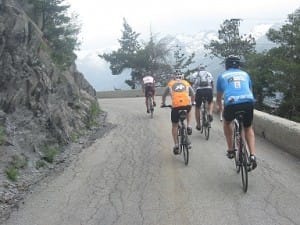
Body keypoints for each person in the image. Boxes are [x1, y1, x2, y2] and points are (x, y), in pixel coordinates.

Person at [216, 55, 257, 170]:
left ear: (226, 66)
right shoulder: (245, 74)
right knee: (248, 128)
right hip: (248, 102)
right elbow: (250, 91)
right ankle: (252, 155)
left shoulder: (222, 76)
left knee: (227, 123)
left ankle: (230, 150)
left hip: (231, 103)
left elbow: (219, 98)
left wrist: (221, 108)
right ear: (239, 66)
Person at [161, 71, 195, 154]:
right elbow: (193, 94)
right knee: (189, 109)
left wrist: (164, 103)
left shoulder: (170, 84)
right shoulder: (186, 83)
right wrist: (193, 102)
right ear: (182, 77)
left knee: (175, 125)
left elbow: (164, 95)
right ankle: (189, 125)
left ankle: (176, 145)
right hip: (186, 105)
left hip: (176, 107)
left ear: (174, 77)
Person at [192, 65, 214, 130]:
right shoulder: (208, 73)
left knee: (197, 107)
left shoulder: (195, 74)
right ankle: (210, 113)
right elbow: (212, 84)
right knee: (211, 102)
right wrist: (211, 91)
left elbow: (190, 85)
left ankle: (198, 125)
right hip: (208, 90)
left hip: (199, 91)